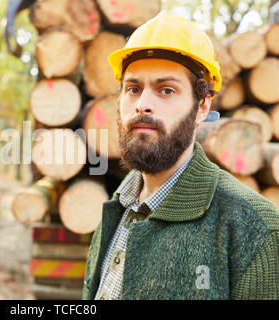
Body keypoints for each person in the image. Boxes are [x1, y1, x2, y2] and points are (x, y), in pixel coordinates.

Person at [82, 11, 279, 300]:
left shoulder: (255, 229)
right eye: (133, 89)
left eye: (166, 90)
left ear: (201, 107)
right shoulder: (116, 208)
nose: (143, 105)